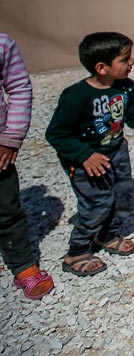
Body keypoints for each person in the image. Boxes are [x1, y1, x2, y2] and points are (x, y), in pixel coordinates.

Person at [45, 33, 134, 276]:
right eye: (124, 59)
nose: (131, 62)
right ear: (101, 67)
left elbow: (133, 113)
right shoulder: (75, 96)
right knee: (97, 202)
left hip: (116, 151)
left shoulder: (126, 87)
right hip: (87, 162)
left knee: (121, 193)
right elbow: (57, 134)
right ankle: (77, 252)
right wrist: (84, 156)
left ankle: (108, 235)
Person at [0, 34, 55, 299]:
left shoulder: (3, 44)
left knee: (7, 210)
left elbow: (19, 88)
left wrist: (11, 138)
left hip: (0, 152)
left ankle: (22, 265)